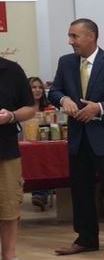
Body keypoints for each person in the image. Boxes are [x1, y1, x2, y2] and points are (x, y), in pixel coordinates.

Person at [49, 18, 104, 255]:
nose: (70, 41)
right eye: (70, 36)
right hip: (79, 138)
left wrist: (99, 108)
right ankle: (85, 239)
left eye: (74, 36)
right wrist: (63, 99)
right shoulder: (66, 63)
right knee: (81, 190)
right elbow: (54, 90)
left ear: (91, 36)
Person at [0, 58, 39, 260]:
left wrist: (12, 116)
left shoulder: (11, 70)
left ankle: (8, 257)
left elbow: (30, 108)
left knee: (9, 205)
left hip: (5, 150)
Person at [27, 76, 55, 210]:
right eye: (34, 87)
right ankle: (39, 193)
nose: (37, 90)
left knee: (47, 159)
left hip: (46, 145)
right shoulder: (21, 108)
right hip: (27, 146)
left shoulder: (49, 107)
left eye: (40, 87)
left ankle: (41, 194)